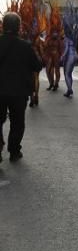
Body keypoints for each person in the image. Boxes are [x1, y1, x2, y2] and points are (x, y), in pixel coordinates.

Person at [0, 12, 42, 162]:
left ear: (3, 26)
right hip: (19, 92)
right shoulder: (26, 46)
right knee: (17, 123)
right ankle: (14, 151)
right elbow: (37, 66)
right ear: (19, 28)